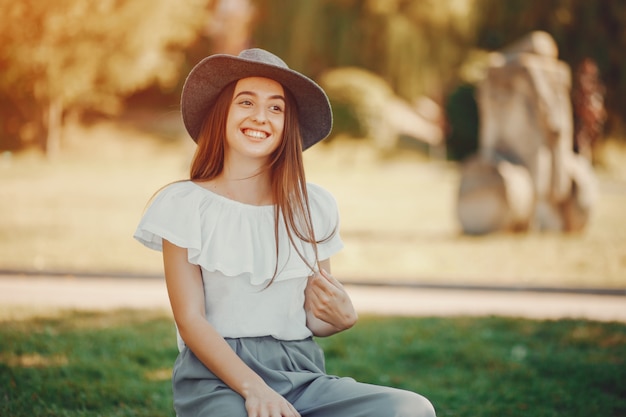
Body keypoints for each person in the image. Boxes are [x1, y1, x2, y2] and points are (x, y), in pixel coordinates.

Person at [134, 48, 436, 417]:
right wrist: (255, 390)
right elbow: (191, 321)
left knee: (411, 410)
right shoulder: (183, 204)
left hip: (300, 374)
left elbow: (312, 316)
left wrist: (340, 319)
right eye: (246, 102)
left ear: (287, 123)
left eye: (276, 107)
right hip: (216, 377)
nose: (261, 116)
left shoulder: (314, 206)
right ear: (222, 113)